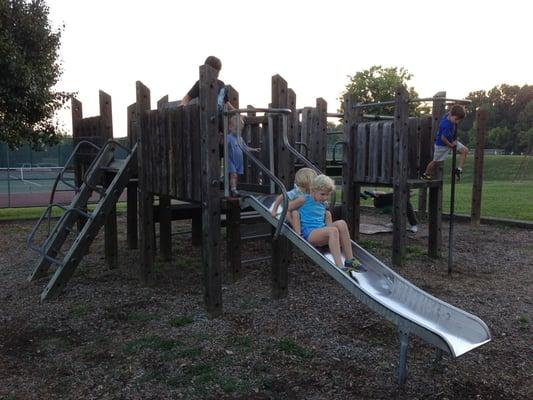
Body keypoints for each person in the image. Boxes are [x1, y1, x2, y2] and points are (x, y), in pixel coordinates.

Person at [182, 55, 248, 197]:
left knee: (222, 152)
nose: (217, 73)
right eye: (215, 70)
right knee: (210, 154)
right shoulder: (200, 83)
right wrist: (182, 108)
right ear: (207, 68)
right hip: (205, 125)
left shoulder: (221, 84)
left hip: (219, 125)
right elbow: (187, 98)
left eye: (218, 70)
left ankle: (223, 183)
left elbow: (225, 103)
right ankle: (211, 182)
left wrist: (237, 113)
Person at [288, 174, 366, 273]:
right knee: (333, 230)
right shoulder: (304, 200)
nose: (325, 197)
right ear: (313, 190)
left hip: (321, 230)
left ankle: (349, 260)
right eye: (322, 194)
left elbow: (324, 218)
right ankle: (339, 266)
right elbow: (286, 208)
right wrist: (295, 225)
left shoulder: (322, 203)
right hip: (309, 233)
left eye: (327, 194)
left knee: (341, 223)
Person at [271, 168, 331, 236]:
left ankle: (327, 229)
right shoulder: (297, 191)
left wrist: (324, 202)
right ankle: (297, 230)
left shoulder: (312, 192)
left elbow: (317, 200)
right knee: (294, 213)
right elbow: (281, 197)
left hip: (305, 213)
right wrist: (274, 210)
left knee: (327, 213)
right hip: (293, 210)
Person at [422, 104, 467, 181]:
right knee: (435, 161)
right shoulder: (446, 125)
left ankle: (459, 169)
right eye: (456, 119)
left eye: (459, 120)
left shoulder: (448, 116)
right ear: (452, 115)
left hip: (451, 141)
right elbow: (443, 139)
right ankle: (425, 174)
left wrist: (458, 107)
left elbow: (452, 111)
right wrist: (451, 146)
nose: (457, 122)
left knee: (464, 150)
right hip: (442, 145)